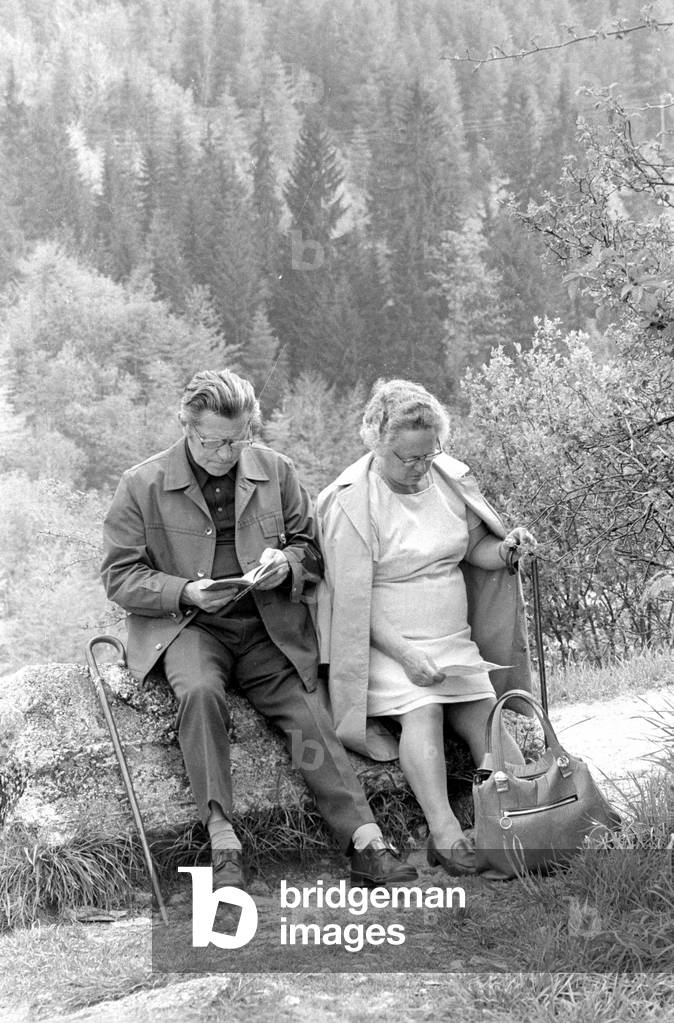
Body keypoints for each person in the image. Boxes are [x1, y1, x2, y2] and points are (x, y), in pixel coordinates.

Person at [101, 368, 418, 890]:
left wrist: (286, 564)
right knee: (201, 695)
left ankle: (366, 842)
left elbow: (310, 549)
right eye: (213, 442)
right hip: (189, 628)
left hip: (265, 624)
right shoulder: (142, 484)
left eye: (238, 439)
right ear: (185, 425)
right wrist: (184, 591)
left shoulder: (277, 470)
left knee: (304, 717)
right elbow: (119, 576)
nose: (226, 454)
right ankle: (224, 842)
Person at [315, 378, 537, 877]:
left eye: (428, 455)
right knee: (425, 710)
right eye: (408, 458)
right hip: (385, 643)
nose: (420, 467)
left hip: (452, 640)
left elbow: (472, 551)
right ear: (378, 443)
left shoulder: (450, 479)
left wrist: (504, 551)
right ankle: (445, 833)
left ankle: (512, 824)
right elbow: (350, 599)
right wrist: (408, 656)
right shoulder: (350, 499)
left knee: (488, 719)